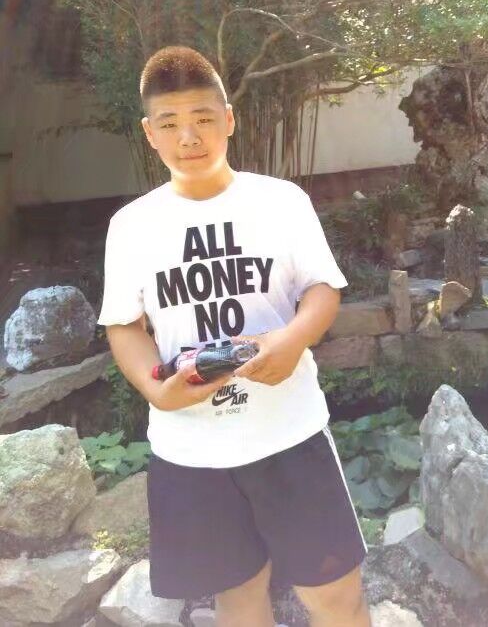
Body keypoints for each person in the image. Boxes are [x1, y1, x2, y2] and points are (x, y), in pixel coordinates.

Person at [98, 45, 371, 627]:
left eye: (202, 118)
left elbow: (323, 288)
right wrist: (156, 389)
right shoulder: (131, 226)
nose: (188, 137)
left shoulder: (280, 201)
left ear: (229, 119)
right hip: (191, 452)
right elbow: (123, 324)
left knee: (337, 599)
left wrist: (293, 340)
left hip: (290, 432)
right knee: (237, 603)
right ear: (149, 133)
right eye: (170, 123)